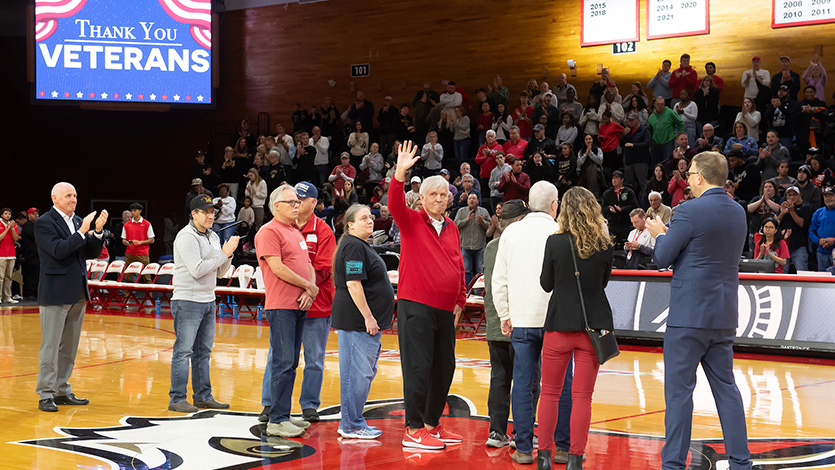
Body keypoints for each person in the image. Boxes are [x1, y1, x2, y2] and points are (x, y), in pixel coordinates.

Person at [646, 151, 752, 470]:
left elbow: (663, 257)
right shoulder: (739, 212)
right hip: (722, 314)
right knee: (727, 392)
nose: (687, 179)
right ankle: (741, 463)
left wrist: (659, 234)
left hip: (688, 316)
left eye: (690, 174)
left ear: (701, 178)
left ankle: (674, 464)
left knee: (679, 395)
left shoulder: (688, 210)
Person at [389, 141, 466, 450]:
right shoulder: (411, 221)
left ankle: (432, 425)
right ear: (421, 198)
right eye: (432, 194)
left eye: (443, 194)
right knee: (418, 368)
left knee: (444, 368)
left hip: (445, 310)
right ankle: (414, 428)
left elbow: (458, 265)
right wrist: (399, 172)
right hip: (416, 306)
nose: (438, 199)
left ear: (449, 198)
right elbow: (394, 203)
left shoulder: (452, 227)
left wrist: (460, 300)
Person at [493, 181, 575, 465]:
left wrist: (505, 315)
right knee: (562, 386)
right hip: (557, 321)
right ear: (555, 205)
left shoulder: (512, 232)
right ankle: (563, 448)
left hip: (522, 320)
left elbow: (498, 279)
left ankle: (524, 448)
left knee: (523, 384)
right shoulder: (562, 231)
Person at [537, 186, 615, 470]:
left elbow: (546, 284)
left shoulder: (554, 242)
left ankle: (544, 457)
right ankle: (575, 460)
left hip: (559, 325)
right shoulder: (605, 245)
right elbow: (602, 283)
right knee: (583, 397)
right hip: (592, 329)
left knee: (550, 393)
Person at [35, 183, 108, 412]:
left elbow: (91, 252)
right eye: (68, 196)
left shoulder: (78, 222)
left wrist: (96, 231)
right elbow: (58, 250)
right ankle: (45, 393)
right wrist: (81, 232)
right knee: (51, 346)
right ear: (54, 198)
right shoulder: (44, 223)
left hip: (77, 292)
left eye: (75, 195)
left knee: (69, 346)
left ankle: (62, 389)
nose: (73, 199)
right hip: (55, 292)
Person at [255, 184, 319, 437]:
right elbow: (277, 268)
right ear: (276, 206)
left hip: (299, 303)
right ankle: (276, 420)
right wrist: (309, 287)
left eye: (298, 202)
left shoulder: (294, 230)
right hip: (282, 306)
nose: (296, 206)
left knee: (291, 362)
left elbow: (307, 264)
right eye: (291, 202)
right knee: (282, 363)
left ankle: (284, 414)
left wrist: (309, 289)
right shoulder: (268, 231)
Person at [168, 195, 239, 413]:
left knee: (203, 352)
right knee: (184, 351)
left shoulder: (213, 237)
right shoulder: (186, 236)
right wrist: (223, 254)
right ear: (194, 214)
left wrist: (229, 255)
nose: (211, 216)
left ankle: (203, 396)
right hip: (188, 300)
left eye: (212, 212)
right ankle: (177, 398)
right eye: (206, 212)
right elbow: (197, 269)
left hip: (208, 299)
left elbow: (220, 273)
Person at [331, 204, 394, 439]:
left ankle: (353, 421)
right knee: (355, 374)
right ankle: (351, 424)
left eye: (371, 217)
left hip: (361, 323)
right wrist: (368, 316)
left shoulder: (359, 245)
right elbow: (353, 284)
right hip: (357, 322)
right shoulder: (354, 247)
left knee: (362, 373)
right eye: (364, 218)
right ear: (350, 224)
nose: (371, 221)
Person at [482, 200, 528, 449]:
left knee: (499, 378)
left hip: (494, 323)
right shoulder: (524, 246)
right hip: (520, 323)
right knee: (527, 380)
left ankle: (496, 432)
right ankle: (523, 434)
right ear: (521, 220)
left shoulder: (491, 247)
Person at [454, 192, 490, 287]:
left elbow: (490, 227)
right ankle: (467, 291)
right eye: (470, 198)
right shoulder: (462, 211)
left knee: (480, 270)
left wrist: (482, 222)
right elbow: (455, 225)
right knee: (466, 270)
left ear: (478, 201)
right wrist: (467, 220)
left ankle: (479, 291)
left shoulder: (484, 211)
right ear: (467, 201)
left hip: (479, 245)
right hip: (465, 245)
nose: (472, 200)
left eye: (474, 198)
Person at [777, 186, 813, 273]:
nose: (791, 197)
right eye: (789, 195)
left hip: (799, 246)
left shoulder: (806, 207)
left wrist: (791, 211)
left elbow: (802, 224)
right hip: (783, 246)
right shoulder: (783, 207)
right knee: (782, 272)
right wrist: (782, 214)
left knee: (802, 272)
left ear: (800, 195)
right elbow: (775, 224)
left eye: (794, 195)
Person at [601, 170, 638, 248]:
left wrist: (622, 209)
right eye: (613, 178)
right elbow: (603, 207)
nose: (614, 180)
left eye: (616, 178)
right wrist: (609, 209)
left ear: (622, 179)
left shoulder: (629, 192)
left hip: (625, 222)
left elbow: (634, 205)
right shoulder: (607, 193)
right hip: (612, 223)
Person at [121, 203, 155, 283]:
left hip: (143, 253)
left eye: (135, 210)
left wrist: (140, 242)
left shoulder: (147, 224)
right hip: (130, 253)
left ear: (140, 211)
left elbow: (152, 239)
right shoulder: (126, 225)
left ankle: (148, 295)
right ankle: (127, 295)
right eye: (131, 211)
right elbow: (123, 239)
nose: (133, 212)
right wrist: (127, 243)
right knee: (128, 276)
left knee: (146, 276)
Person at [647, 97, 685, 167]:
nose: (660, 106)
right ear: (655, 104)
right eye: (658, 104)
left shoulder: (670, 112)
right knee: (656, 165)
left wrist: (679, 135)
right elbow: (649, 131)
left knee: (668, 163)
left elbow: (681, 122)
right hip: (655, 143)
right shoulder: (651, 117)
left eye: (662, 104)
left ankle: (669, 177)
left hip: (668, 142)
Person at [809, 187, 835, 271]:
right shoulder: (818, 213)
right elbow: (811, 231)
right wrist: (818, 241)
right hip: (821, 252)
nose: (828, 198)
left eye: (831, 196)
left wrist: (834, 240)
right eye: (826, 196)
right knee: (823, 278)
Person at [20, 207, 39, 300]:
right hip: (30, 254)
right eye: (34, 214)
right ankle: (29, 293)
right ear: (29, 215)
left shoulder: (36, 225)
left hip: (36, 254)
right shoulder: (27, 226)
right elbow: (35, 236)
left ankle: (35, 292)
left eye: (37, 214)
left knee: (36, 273)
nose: (37, 216)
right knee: (31, 274)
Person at [245, 168, 267, 234]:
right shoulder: (249, 182)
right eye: (249, 176)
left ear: (255, 175)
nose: (250, 178)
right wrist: (249, 192)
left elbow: (264, 195)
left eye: (251, 176)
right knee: (250, 225)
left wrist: (255, 192)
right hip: (251, 206)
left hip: (258, 206)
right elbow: (246, 194)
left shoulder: (262, 182)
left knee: (258, 224)